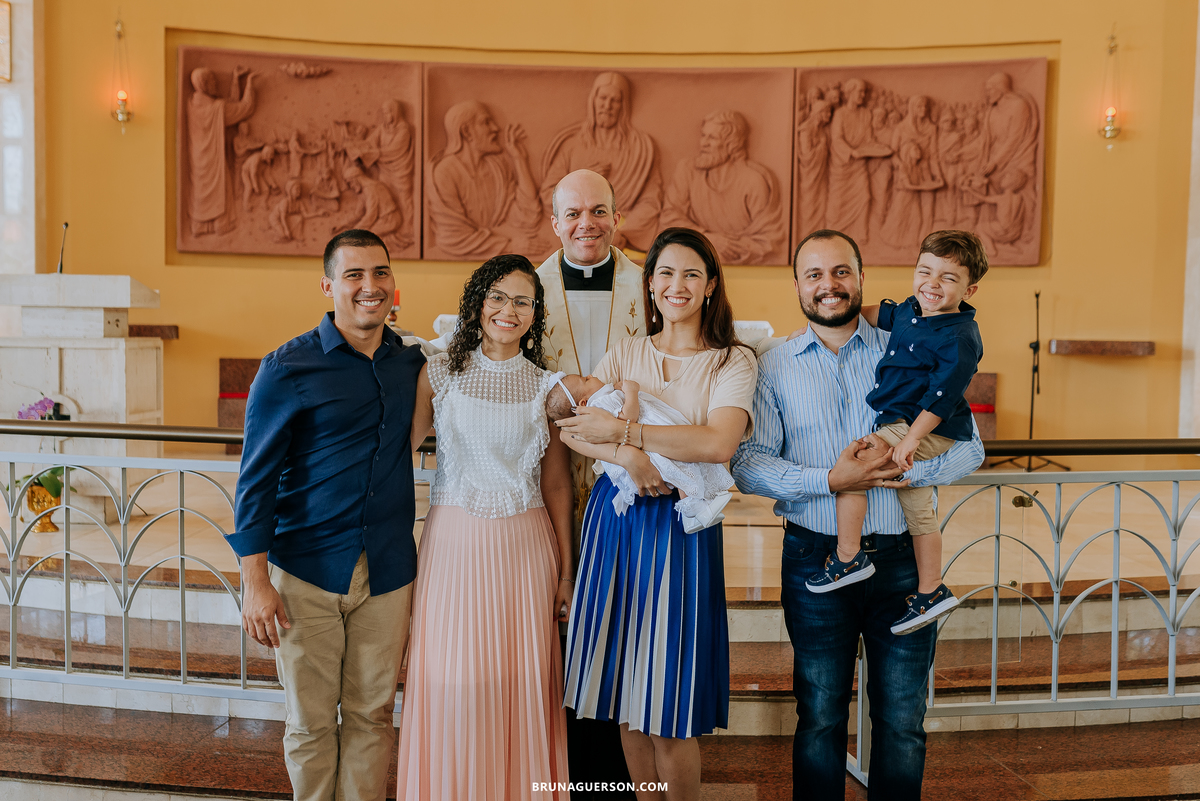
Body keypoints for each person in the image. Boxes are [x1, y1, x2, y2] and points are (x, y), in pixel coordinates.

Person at [730, 229, 984, 801]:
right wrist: (830, 481)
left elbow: (970, 448)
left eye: (841, 271)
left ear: (862, 279)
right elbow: (748, 463)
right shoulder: (773, 365)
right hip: (814, 558)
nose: (829, 285)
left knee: (902, 720)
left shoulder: (912, 341)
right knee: (820, 715)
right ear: (798, 285)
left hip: (901, 565)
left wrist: (906, 472)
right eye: (814, 274)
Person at [228, 229, 428, 801]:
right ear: (328, 286)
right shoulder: (286, 367)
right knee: (311, 723)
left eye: (380, 272)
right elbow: (255, 481)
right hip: (306, 571)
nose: (370, 286)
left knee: (372, 715)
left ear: (393, 283)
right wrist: (255, 581)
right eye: (354, 275)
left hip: (387, 571)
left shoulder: (413, 363)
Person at [558, 227, 757, 801]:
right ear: (649, 285)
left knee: (667, 702)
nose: (677, 285)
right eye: (665, 273)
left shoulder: (732, 360)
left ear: (711, 285)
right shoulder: (627, 352)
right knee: (627, 692)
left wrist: (626, 433)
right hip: (617, 521)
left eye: (692, 273)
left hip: (681, 527)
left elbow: (717, 443)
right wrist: (628, 457)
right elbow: (574, 430)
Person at [396, 254, 573, 800]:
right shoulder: (438, 373)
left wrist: (566, 571)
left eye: (522, 301)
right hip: (453, 547)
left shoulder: (548, 387)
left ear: (535, 313)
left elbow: (557, 485)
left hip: (525, 552)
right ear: (477, 303)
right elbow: (397, 455)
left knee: (520, 682)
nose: (508, 310)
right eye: (497, 297)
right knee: (451, 678)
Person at [805, 230, 987, 636]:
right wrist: (823, 320)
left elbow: (941, 398)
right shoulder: (909, 311)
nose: (932, 284)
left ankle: (848, 556)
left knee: (856, 466)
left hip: (927, 424)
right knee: (919, 507)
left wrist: (910, 440)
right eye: (925, 271)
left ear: (969, 289)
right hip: (901, 422)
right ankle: (931, 589)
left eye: (948, 278)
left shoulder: (960, 337)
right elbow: (873, 314)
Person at [547, 374, 734, 532]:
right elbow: (628, 417)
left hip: (647, 446)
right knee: (679, 463)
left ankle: (693, 513)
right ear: (583, 402)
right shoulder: (601, 402)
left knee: (680, 465)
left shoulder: (600, 400)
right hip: (646, 451)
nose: (590, 375)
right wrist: (631, 392)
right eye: (585, 380)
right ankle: (694, 508)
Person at [540, 72, 663, 252]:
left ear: (624, 106)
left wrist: (621, 232)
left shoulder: (639, 150)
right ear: (593, 100)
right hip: (577, 242)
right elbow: (547, 194)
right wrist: (580, 181)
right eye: (603, 98)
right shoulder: (572, 145)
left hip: (622, 242)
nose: (607, 106)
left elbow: (650, 202)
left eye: (615, 100)